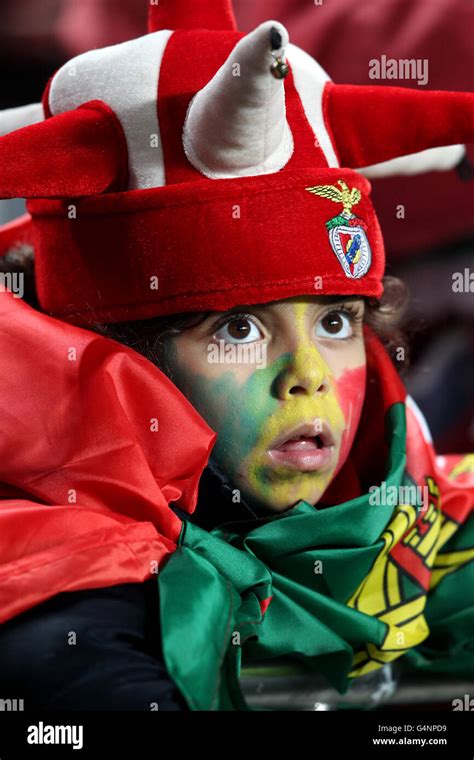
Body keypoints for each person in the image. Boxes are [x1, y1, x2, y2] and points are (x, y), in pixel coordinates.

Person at [0, 0, 472, 712]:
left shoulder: (417, 505)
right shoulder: (66, 600)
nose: (310, 374)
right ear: (115, 363)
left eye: (337, 320)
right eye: (240, 330)